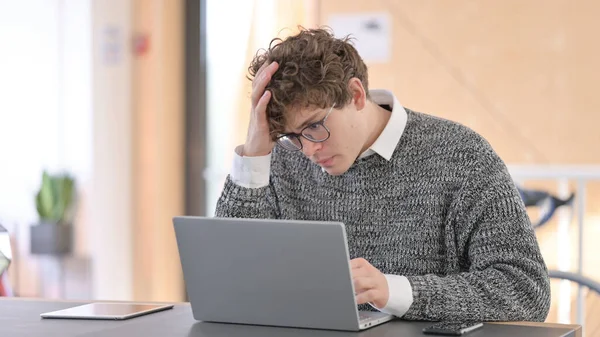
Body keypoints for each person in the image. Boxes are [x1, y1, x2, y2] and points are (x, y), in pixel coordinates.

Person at [215, 27, 551, 322]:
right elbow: (227, 277)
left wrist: (396, 291)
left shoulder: (462, 156)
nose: (308, 151)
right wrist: (255, 154)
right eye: (292, 136)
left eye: (314, 126)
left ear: (356, 95)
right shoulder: (284, 159)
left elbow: (525, 291)